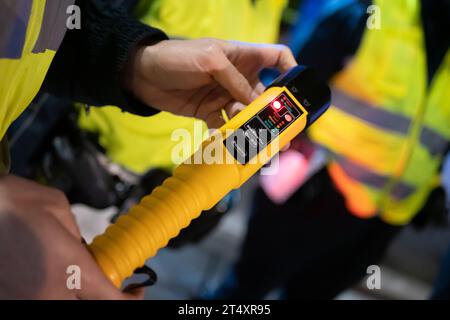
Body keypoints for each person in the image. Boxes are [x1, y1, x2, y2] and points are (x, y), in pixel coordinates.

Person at [0, 0, 297, 299]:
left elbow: (44, 22)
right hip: (68, 166)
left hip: (141, 196)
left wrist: (134, 62)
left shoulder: (271, 7)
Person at [212, 0, 450, 299]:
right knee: (243, 292)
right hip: (314, 194)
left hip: (385, 218)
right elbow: (290, 84)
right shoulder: (367, 12)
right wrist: (229, 164)